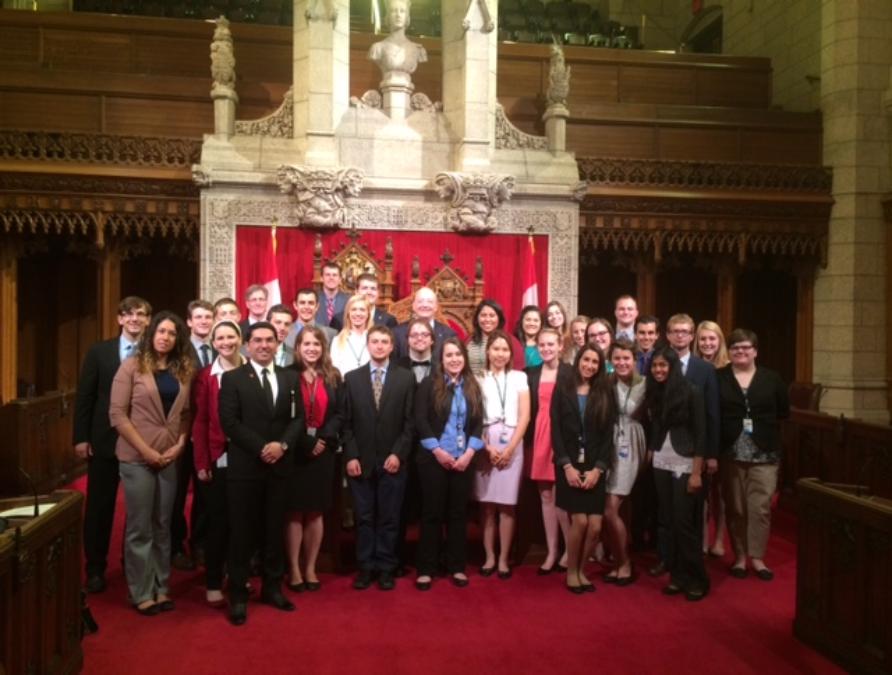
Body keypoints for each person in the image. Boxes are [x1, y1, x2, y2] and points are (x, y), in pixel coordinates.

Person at [218, 321, 305, 626]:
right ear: (247, 344)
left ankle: (272, 588)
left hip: (280, 467)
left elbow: (298, 420)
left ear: (277, 344)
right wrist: (262, 448)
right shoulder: (232, 379)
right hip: (246, 468)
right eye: (258, 340)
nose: (264, 345)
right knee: (242, 533)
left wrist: (281, 446)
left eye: (270, 340)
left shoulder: (290, 377)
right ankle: (239, 595)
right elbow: (229, 423)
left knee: (274, 531)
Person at [109, 310, 193, 615]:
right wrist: (146, 451)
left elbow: (186, 415)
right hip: (137, 458)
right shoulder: (131, 367)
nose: (166, 337)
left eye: (172, 333)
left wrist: (181, 444)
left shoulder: (182, 369)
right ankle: (140, 590)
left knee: (162, 525)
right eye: (161, 332)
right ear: (151, 333)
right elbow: (117, 415)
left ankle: (161, 586)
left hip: (169, 457)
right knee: (139, 527)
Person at [73, 296, 152, 594]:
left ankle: (133, 564)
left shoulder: (154, 352)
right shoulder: (99, 352)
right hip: (104, 441)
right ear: (120, 318)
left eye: (141, 314)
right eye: (129, 314)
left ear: (147, 320)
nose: (134, 319)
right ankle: (95, 568)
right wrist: (81, 437)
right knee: (99, 507)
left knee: (139, 508)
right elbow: (86, 397)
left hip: (142, 442)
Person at [341, 326, 415, 591]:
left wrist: (398, 453)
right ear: (367, 345)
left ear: (392, 347)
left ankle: (385, 566)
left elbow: (410, 423)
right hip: (360, 461)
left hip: (393, 460)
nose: (380, 346)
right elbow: (346, 424)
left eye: (385, 342)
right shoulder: (352, 379)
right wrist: (350, 456)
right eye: (375, 341)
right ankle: (365, 567)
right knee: (364, 517)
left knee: (389, 517)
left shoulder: (405, 378)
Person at [718, 328, 789, 581]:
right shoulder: (720, 377)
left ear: (755, 351)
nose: (740, 351)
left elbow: (783, 412)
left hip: (764, 453)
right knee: (736, 507)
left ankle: (757, 557)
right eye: (735, 347)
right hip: (730, 453)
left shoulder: (772, 379)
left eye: (746, 347)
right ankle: (739, 556)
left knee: (759, 508)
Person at [414, 338, 485, 590]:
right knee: (432, 514)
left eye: (458, 354)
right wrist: (438, 451)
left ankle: (456, 566)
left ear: (464, 357)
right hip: (434, 459)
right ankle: (426, 568)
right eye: (449, 355)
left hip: (462, 460)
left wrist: (468, 454)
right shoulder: (428, 385)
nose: (454, 359)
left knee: (457, 515)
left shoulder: (472, 386)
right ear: (440, 360)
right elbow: (420, 420)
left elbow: (478, 423)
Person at [640, 346, 709, 601]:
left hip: (685, 462)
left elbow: (701, 433)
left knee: (683, 523)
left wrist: (696, 472)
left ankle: (697, 578)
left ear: (672, 367)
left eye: (663, 366)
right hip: (661, 461)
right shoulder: (655, 392)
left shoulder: (691, 391)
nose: (658, 370)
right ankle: (678, 577)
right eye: (655, 366)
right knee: (667, 521)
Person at [551, 343, 616, 594]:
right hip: (568, 463)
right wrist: (565, 465)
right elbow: (556, 429)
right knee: (579, 521)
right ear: (578, 360)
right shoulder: (563, 387)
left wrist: (598, 469)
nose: (589, 365)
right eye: (586, 360)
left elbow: (608, 433)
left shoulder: (604, 392)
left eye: (594, 362)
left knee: (596, 526)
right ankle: (571, 571)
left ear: (599, 367)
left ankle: (582, 569)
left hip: (594, 465)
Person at [192, 319, 245, 606]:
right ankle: (213, 579)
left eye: (231, 336)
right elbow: (200, 421)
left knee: (244, 522)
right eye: (220, 338)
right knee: (218, 522)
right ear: (213, 343)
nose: (226, 342)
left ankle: (239, 575)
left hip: (247, 459)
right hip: (217, 457)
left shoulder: (251, 371)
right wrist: (202, 461)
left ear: (240, 339)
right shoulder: (206, 377)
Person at [285, 326, 342, 593]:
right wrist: (305, 441)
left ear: (323, 348)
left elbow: (339, 414)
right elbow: (284, 414)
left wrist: (324, 438)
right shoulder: (287, 375)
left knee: (316, 511)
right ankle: (294, 568)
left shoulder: (332, 377)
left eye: (316, 344)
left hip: (324, 451)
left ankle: (310, 567)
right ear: (297, 348)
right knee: (295, 512)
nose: (311, 349)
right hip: (296, 451)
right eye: (306, 344)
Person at [473, 331, 530, 579]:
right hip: (486, 441)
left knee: (507, 506)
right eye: (495, 349)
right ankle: (489, 557)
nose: (500, 354)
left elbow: (525, 416)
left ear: (511, 354)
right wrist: (487, 448)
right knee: (487, 506)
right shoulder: (478, 378)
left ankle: (504, 558)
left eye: (504, 349)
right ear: (488, 352)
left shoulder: (519, 377)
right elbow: (474, 417)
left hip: (512, 440)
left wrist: (510, 448)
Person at [526, 327, 572, 574]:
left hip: (561, 438)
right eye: (542, 345)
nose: (546, 349)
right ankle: (552, 551)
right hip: (538, 437)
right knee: (545, 495)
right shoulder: (530, 374)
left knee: (562, 497)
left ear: (560, 346)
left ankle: (570, 550)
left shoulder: (570, 373)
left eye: (550, 344)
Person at [603, 338, 646, 585]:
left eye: (626, 358)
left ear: (635, 360)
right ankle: (619, 560)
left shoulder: (646, 385)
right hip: (609, 443)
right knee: (616, 507)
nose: (621, 363)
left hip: (631, 442)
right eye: (617, 358)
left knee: (611, 507)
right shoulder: (607, 382)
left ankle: (624, 563)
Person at [694, 319, 730, 557]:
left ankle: (719, 539)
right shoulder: (694, 367)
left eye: (712, 339)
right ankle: (703, 538)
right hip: (700, 436)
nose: (707, 343)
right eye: (703, 339)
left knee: (720, 494)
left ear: (720, 341)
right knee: (701, 493)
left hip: (724, 437)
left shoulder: (728, 369)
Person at [368, 0, 428, 83]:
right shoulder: (377, 48)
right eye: (393, 11)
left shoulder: (418, 49)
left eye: (402, 11)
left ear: (407, 16)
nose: (398, 15)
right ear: (388, 16)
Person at [393, 286, 456, 360]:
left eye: (430, 302)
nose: (425, 305)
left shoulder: (448, 334)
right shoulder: (397, 333)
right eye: (420, 301)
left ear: (436, 307)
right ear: (413, 306)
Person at [466, 299, 524, 375]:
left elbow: (518, 370)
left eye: (492, 315)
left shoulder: (511, 342)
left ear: (499, 318)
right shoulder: (468, 341)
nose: (487, 319)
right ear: (477, 318)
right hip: (471, 385)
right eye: (483, 315)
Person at [330, 273, 397, 330]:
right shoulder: (339, 319)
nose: (369, 292)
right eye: (365, 288)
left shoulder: (389, 320)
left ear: (378, 293)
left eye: (373, 289)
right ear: (356, 291)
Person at [330, 294, 373, 376]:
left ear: (368, 314)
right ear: (348, 313)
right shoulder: (338, 340)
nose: (358, 313)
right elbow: (334, 371)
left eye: (362, 310)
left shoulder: (374, 339)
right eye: (354, 309)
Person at [316, 261, 350, 328]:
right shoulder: (314, 299)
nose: (331, 278)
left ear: (340, 279)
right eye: (327, 275)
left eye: (334, 275)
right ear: (321, 278)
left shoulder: (348, 300)